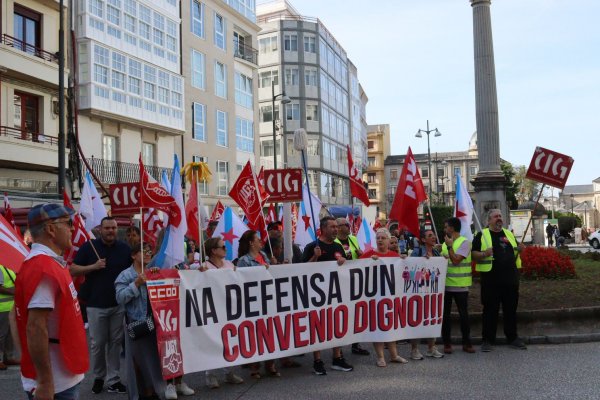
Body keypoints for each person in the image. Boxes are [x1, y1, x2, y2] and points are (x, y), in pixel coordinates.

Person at [14, 204, 89, 399]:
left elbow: (15, 316)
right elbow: (35, 327)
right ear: (50, 229)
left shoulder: (48, 263)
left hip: (62, 375)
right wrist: (45, 382)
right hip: (57, 383)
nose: (73, 228)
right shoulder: (43, 268)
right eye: (68, 223)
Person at [71, 216, 130, 394]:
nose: (111, 231)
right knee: (97, 344)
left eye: (113, 228)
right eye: (107, 228)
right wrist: (93, 267)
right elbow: (72, 269)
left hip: (118, 304)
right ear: (100, 229)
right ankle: (98, 377)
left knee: (115, 343)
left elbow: (135, 269)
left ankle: (114, 379)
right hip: (95, 304)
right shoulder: (89, 247)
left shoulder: (124, 249)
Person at [115, 244, 180, 400]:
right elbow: (120, 298)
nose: (148, 254)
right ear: (133, 255)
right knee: (138, 361)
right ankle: (143, 393)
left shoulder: (153, 271)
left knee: (154, 360)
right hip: (137, 323)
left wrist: (158, 276)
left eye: (150, 251)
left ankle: (155, 391)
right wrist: (136, 284)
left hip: (156, 323)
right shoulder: (125, 275)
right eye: (143, 251)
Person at [302, 217, 353, 375]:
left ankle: (337, 358)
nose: (336, 229)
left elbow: (344, 268)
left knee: (336, 324)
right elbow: (301, 270)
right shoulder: (312, 246)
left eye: (337, 227)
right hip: (316, 295)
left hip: (335, 293)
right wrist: (315, 257)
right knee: (318, 326)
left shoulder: (338, 246)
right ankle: (317, 361)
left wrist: (344, 261)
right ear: (323, 229)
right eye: (332, 227)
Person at [472, 209, 526, 352]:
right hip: (491, 281)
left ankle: (512, 338)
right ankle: (487, 340)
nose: (499, 218)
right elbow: (473, 254)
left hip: (510, 280)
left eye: (500, 216)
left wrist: (520, 249)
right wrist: (484, 254)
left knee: (510, 310)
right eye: (496, 216)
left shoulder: (509, 234)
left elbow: (515, 250)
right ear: (489, 220)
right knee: (490, 311)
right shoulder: (481, 235)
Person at [360, 228, 409, 367]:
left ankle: (394, 355)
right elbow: (356, 271)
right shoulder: (368, 255)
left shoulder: (394, 256)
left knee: (391, 325)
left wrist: (404, 261)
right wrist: (369, 262)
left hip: (391, 297)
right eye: (378, 238)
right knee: (377, 326)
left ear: (388, 240)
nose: (380, 240)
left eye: (383, 238)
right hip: (373, 297)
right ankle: (380, 357)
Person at [237, 230, 280, 378]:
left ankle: (270, 364)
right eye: (257, 239)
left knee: (270, 331)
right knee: (255, 333)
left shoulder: (264, 256)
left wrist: (274, 266)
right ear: (251, 243)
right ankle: (254, 367)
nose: (261, 241)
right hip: (254, 300)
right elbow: (242, 280)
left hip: (269, 298)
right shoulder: (244, 260)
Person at [333, 217, 369, 356]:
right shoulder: (334, 242)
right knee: (341, 314)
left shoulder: (353, 239)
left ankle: (355, 344)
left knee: (356, 313)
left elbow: (359, 256)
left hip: (354, 281)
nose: (349, 226)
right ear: (339, 227)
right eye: (346, 225)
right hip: (340, 282)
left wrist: (361, 255)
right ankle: (339, 348)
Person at [440, 217, 475, 354]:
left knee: (463, 315)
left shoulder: (465, 242)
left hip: (460, 286)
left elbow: (455, 261)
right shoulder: (444, 244)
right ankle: (447, 343)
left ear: (452, 228)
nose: (444, 229)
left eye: (446, 227)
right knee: (445, 316)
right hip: (446, 285)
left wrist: (449, 247)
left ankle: (467, 343)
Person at [409, 230, 444, 360]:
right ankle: (414, 350)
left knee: (432, 318)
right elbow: (410, 268)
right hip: (418, 291)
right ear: (423, 240)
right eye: (430, 235)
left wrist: (443, 260)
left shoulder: (436, 252)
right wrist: (422, 261)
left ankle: (431, 348)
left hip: (433, 291)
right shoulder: (417, 251)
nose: (433, 237)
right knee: (417, 319)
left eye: (434, 235)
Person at [0, 263, 18, 370]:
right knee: (1, 335)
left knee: (9, 334)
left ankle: (8, 357)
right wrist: (14, 291)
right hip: (2, 307)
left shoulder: (7, 266)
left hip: (10, 306)